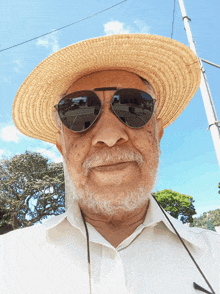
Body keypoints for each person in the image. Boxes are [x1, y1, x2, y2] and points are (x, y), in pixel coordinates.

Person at [1, 34, 219, 294]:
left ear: (158, 134)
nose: (109, 136)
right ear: (62, 148)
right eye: (78, 112)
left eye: (133, 106)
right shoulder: (9, 262)